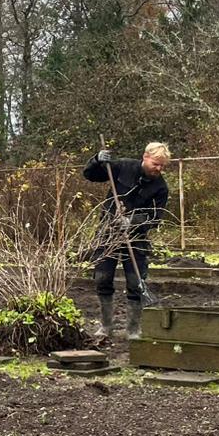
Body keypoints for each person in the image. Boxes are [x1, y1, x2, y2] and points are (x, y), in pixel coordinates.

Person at [83, 142, 171, 340]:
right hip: (108, 233)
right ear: (145, 157)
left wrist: (132, 221)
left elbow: (155, 218)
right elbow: (91, 175)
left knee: (135, 282)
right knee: (102, 278)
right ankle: (106, 326)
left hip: (136, 238)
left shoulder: (160, 188)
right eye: (156, 164)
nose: (159, 168)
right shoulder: (123, 167)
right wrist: (96, 160)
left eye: (162, 166)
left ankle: (133, 329)